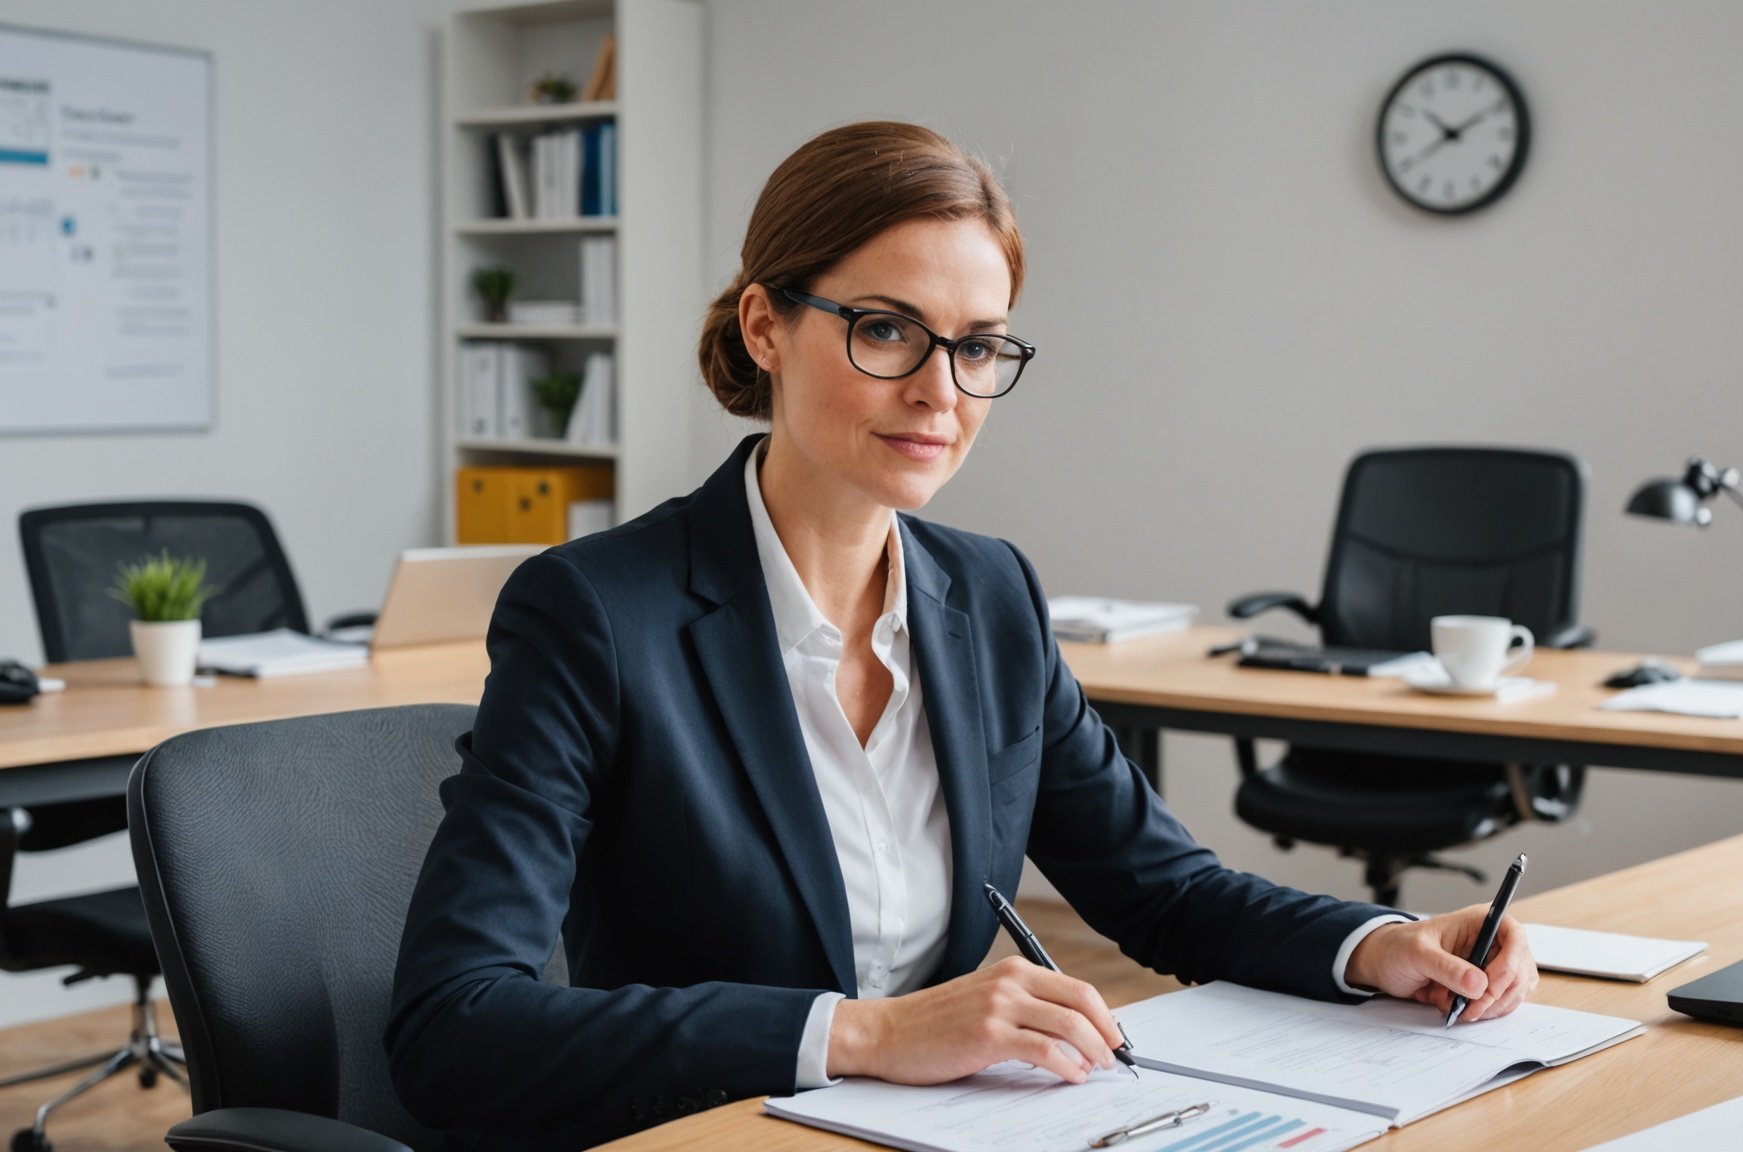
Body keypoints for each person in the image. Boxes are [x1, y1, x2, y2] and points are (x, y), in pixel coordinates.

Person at [385, 121, 1537, 1151]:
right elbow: (456, 1027)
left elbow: (1164, 893)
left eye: (979, 345)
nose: (943, 390)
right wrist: (866, 1034)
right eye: (889, 330)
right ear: (765, 327)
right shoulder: (597, 610)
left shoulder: (989, 597)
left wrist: (1378, 945)